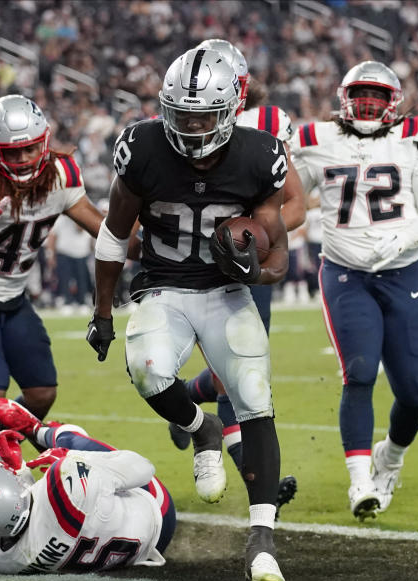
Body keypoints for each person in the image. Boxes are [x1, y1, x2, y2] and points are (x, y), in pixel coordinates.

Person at [87, 48, 292, 581]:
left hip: (225, 291)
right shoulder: (143, 146)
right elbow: (114, 233)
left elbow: (279, 253)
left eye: (203, 115)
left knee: (254, 394)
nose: (192, 125)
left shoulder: (259, 153)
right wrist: (101, 312)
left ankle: (262, 539)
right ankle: (202, 428)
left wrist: (257, 272)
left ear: (231, 109)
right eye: (180, 113)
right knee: (148, 370)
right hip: (164, 286)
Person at [290, 61, 418, 520]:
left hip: (402, 274)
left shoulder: (413, 140)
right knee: (359, 371)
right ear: (344, 96)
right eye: (361, 94)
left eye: (377, 96)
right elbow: (286, 195)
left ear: (393, 104)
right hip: (345, 274)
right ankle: (360, 482)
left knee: (416, 390)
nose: (367, 103)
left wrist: (404, 237)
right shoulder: (317, 140)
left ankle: (390, 459)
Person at [0, 94, 103, 472]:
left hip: (13, 298)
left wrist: (144, 230)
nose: (23, 160)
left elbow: (101, 226)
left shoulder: (61, 173)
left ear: (43, 142)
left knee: (42, 393)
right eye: (11, 153)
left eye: (29, 149)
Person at [167, 39, 306, 476]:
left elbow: (296, 204)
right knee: (234, 366)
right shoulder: (176, 124)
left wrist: (256, 240)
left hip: (245, 261)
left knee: (247, 364)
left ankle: (189, 394)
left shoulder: (267, 124)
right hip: (188, 262)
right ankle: (247, 463)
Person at [0, 398, 174, 574]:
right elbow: (143, 467)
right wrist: (69, 455)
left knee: (83, 480)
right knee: (73, 443)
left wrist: (21, 470)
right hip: (157, 512)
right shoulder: (65, 482)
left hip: (127, 552)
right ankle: (37, 429)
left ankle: (49, 440)